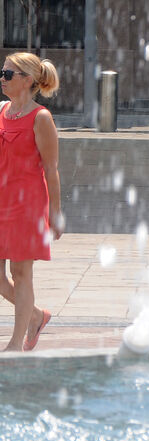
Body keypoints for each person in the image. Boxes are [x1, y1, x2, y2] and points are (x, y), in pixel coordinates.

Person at [0, 52, 63, 351]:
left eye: (7, 74)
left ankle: (15, 343)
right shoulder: (2, 110)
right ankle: (36, 316)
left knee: (21, 273)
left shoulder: (41, 118)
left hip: (26, 207)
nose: (2, 79)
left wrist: (55, 215)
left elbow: (51, 170)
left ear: (27, 80)